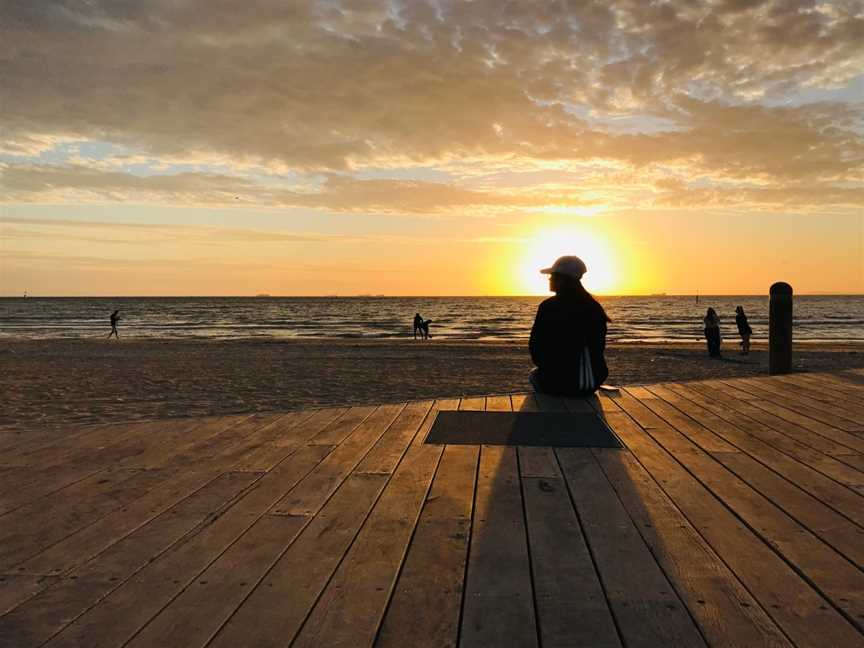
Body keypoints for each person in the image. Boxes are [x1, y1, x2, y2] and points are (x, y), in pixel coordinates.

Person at [528, 255, 610, 396]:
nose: (549, 279)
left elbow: (536, 345)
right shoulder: (594, 306)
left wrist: (549, 367)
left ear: (562, 279)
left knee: (534, 375)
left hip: (561, 381)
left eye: (552, 276)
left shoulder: (549, 306)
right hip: (593, 380)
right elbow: (598, 347)